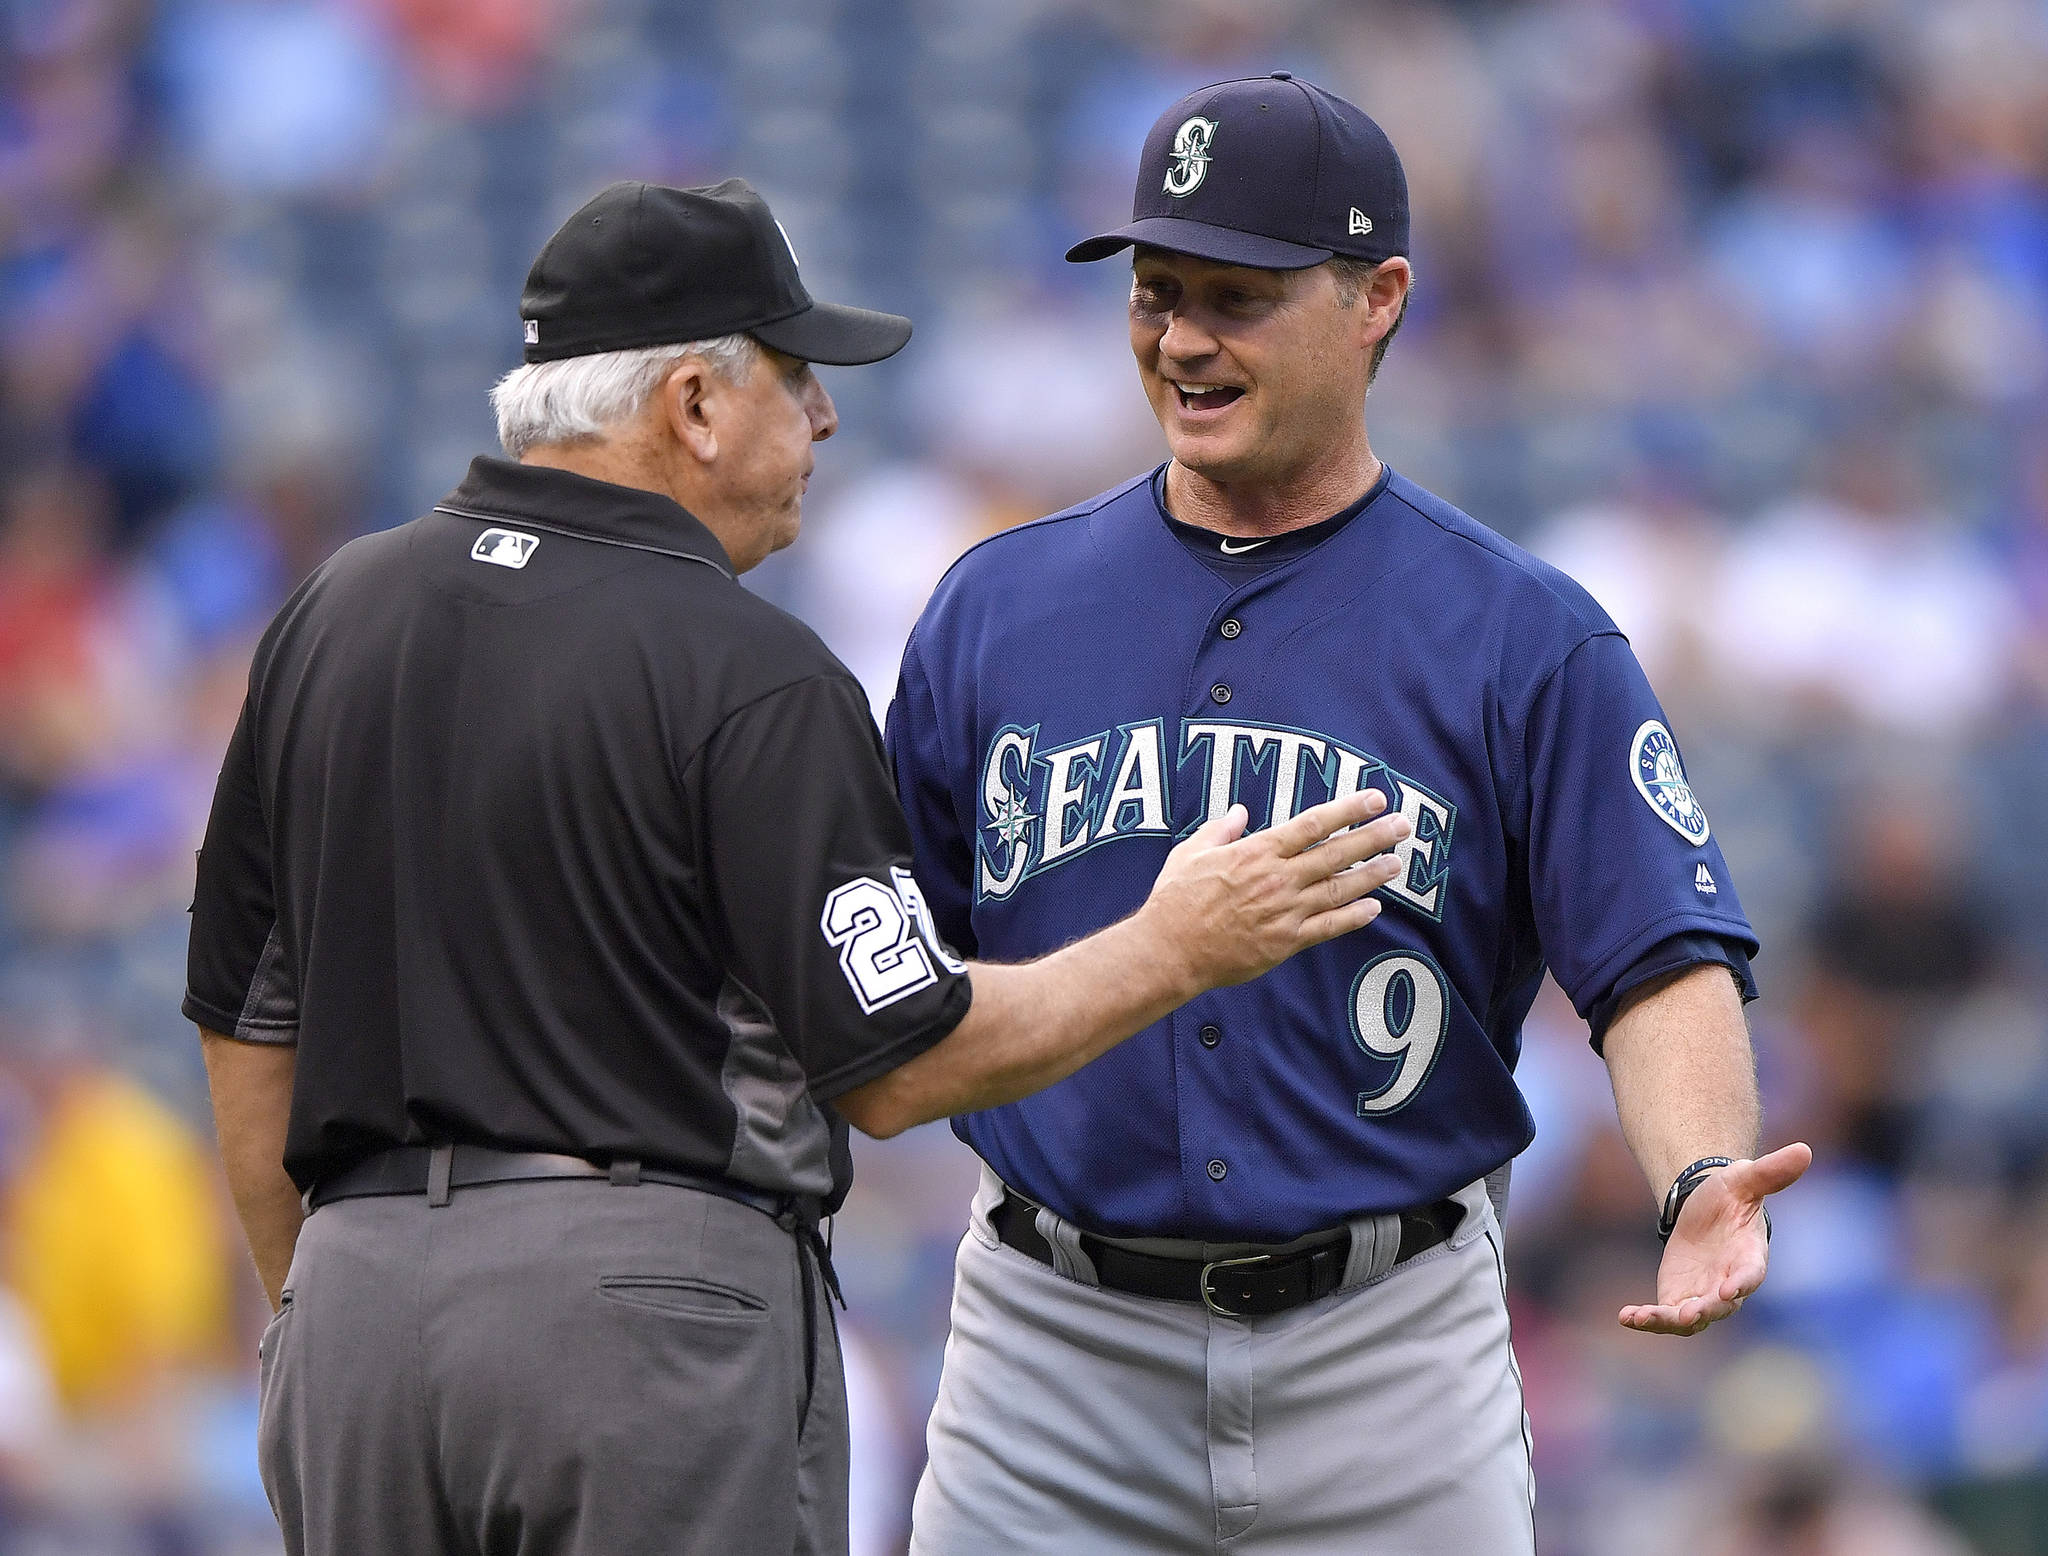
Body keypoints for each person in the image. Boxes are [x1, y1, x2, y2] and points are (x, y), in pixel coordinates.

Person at [183, 177, 1414, 1556]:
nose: (824, 416)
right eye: (795, 374)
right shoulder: (746, 666)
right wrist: (1177, 944)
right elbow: (899, 1063)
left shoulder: (331, 616)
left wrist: (323, 1310)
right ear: (695, 406)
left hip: (357, 1318)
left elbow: (247, 1024)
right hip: (636, 1315)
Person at [885, 77, 1813, 1553]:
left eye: (1236, 297)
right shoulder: (997, 610)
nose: (1182, 339)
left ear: (1378, 298)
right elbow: (893, 995)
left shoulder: (1523, 633)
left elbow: (1658, 958)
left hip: (1387, 1352)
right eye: (1157, 291)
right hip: (1050, 1353)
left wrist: (1698, 1171)